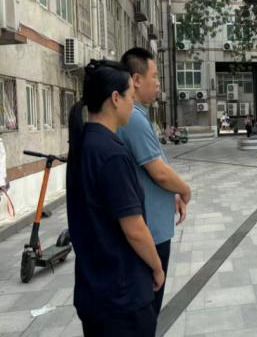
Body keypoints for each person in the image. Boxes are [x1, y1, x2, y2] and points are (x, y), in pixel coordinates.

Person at [67, 61, 163, 336]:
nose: (133, 104)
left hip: (94, 291)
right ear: (115, 99)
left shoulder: (85, 143)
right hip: (122, 297)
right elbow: (134, 230)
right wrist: (157, 267)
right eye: (131, 96)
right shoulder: (111, 153)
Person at [118, 48, 191, 316]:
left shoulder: (137, 115)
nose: (159, 83)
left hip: (154, 226)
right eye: (155, 76)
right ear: (137, 80)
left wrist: (172, 196)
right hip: (150, 232)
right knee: (147, 311)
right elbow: (159, 172)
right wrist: (185, 190)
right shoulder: (134, 119)